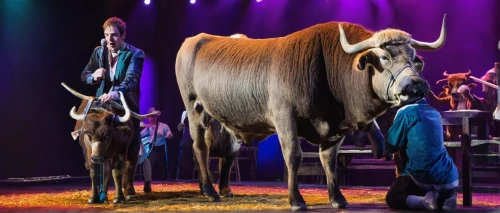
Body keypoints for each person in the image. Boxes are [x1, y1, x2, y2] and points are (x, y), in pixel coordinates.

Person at [80, 17, 145, 198]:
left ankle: (128, 185)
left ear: (123, 36)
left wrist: (117, 92)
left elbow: (132, 78)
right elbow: (84, 75)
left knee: (133, 140)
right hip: (101, 103)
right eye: (107, 35)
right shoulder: (99, 52)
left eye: (114, 35)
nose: (110, 39)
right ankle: (97, 183)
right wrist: (93, 76)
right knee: (87, 129)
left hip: (124, 102)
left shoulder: (136, 54)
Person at [384, 98, 458, 211]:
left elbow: (391, 144)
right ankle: (445, 195)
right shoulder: (435, 112)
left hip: (421, 173)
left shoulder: (405, 111)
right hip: (447, 174)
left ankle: (424, 202)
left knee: (393, 197)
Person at [139, 107, 173, 193]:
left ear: (156, 117)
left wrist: (169, 134)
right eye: (151, 116)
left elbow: (170, 133)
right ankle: (148, 180)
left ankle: (165, 180)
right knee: (149, 163)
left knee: (163, 164)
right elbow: (141, 138)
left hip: (161, 146)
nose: (152, 118)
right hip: (151, 148)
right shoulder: (145, 127)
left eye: (154, 116)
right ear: (148, 117)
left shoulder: (163, 125)